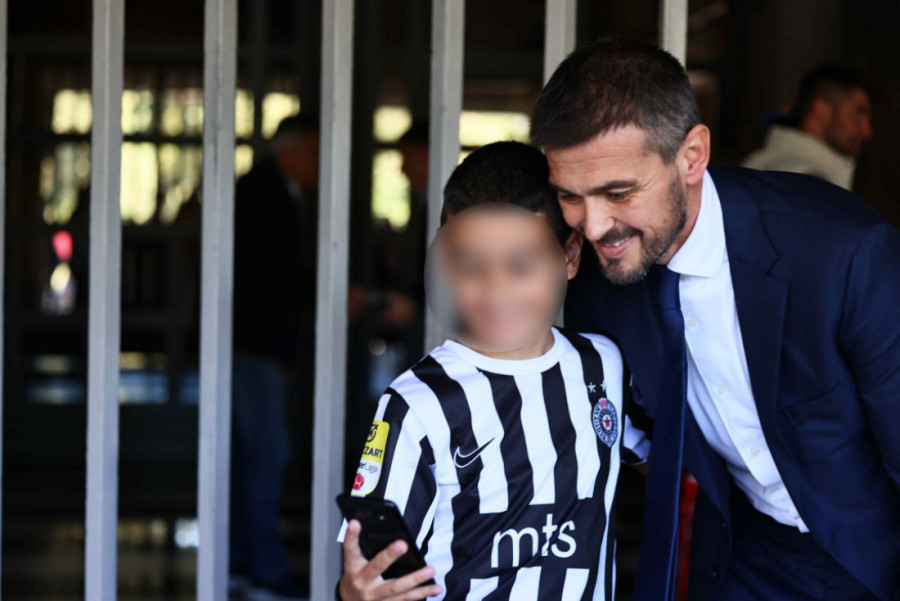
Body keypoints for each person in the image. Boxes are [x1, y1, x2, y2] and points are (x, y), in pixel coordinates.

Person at [530, 38, 900, 600]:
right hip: (745, 555)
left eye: (619, 192)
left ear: (692, 156)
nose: (596, 225)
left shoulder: (843, 254)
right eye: (571, 197)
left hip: (878, 560)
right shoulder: (598, 286)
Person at [337, 142, 650, 601]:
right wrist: (353, 592)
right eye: (470, 266)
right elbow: (373, 567)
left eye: (521, 266)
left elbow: (664, 462)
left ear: (570, 254)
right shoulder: (418, 403)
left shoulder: (603, 365)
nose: (496, 291)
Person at [230, 114, 320, 601]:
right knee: (267, 455)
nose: (321, 164)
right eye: (315, 152)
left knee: (252, 456)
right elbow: (273, 275)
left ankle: (243, 563)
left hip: (253, 345)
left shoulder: (268, 189)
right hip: (254, 346)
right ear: (292, 151)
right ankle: (263, 569)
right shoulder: (264, 194)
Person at [742, 64, 873, 190]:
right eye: (858, 113)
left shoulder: (763, 161)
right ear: (821, 110)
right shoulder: (808, 180)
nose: (867, 132)